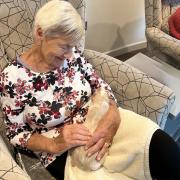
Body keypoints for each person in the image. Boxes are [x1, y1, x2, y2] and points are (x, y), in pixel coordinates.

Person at [0, 0, 180, 179]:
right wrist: (54, 144)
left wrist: (112, 114)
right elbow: (16, 134)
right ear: (40, 34)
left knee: (167, 151)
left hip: (99, 117)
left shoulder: (72, 55)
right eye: (64, 46)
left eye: (73, 46)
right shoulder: (11, 79)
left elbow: (98, 84)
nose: (70, 54)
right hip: (63, 149)